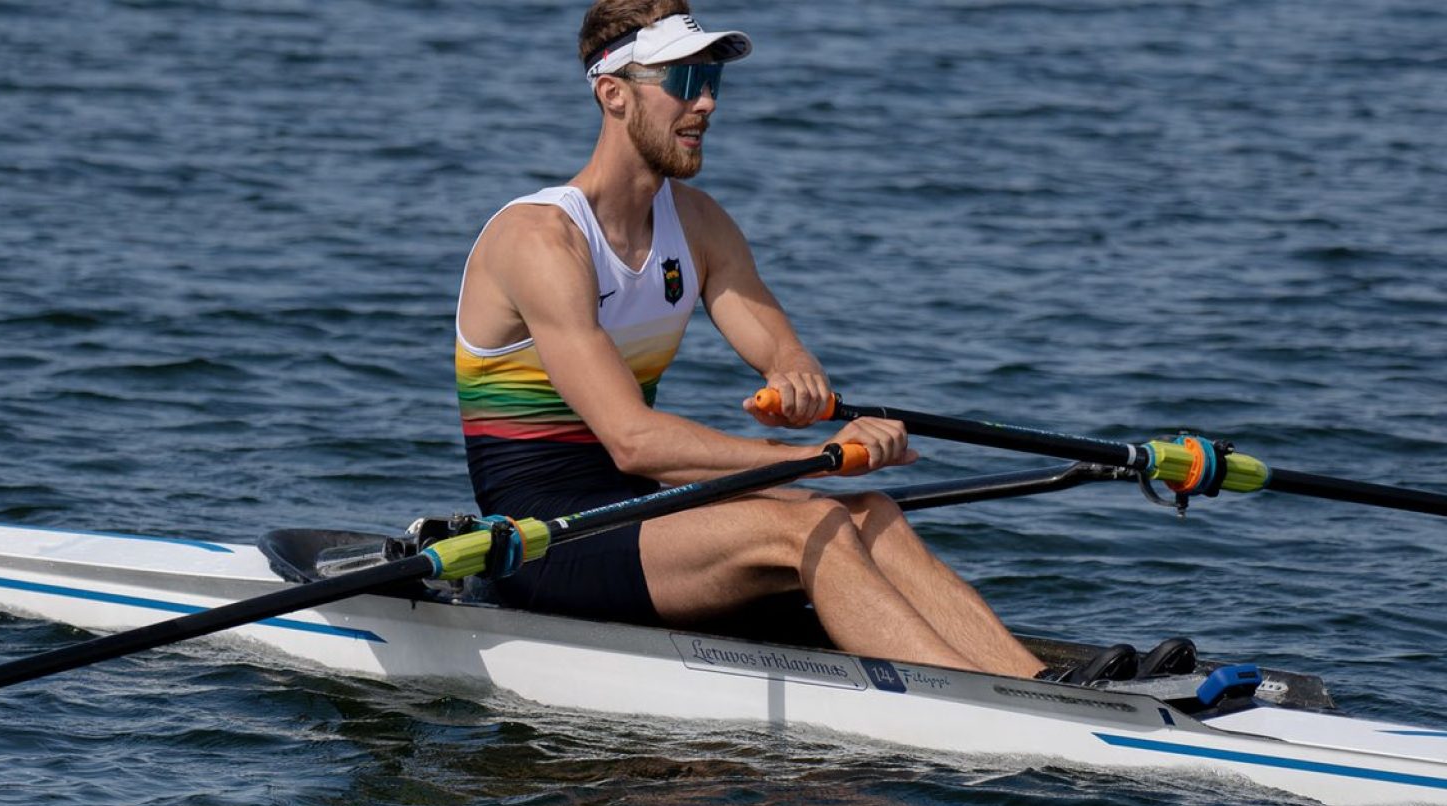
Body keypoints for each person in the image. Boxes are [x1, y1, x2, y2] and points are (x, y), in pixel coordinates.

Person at [453, 1, 1070, 679]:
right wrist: (816, 454)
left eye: (713, 80)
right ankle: (970, 707)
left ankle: (1036, 687)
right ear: (614, 94)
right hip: (544, 542)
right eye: (684, 83)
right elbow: (635, 439)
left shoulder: (698, 223)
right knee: (805, 524)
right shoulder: (541, 241)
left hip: (638, 511)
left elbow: (778, 347)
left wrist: (797, 378)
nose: (708, 103)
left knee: (871, 511)